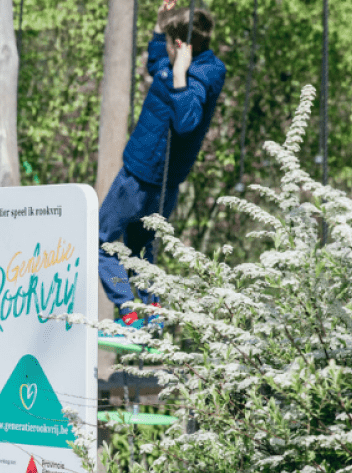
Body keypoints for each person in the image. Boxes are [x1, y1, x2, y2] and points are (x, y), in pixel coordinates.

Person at [99, 0, 226, 330]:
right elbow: (158, 65)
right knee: (141, 249)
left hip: (140, 178)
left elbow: (187, 121)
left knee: (102, 241)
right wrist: (160, 27)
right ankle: (151, 312)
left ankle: (128, 310)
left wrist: (181, 73)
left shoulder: (197, 76)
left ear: (181, 47)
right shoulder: (187, 66)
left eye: (170, 43)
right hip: (160, 182)